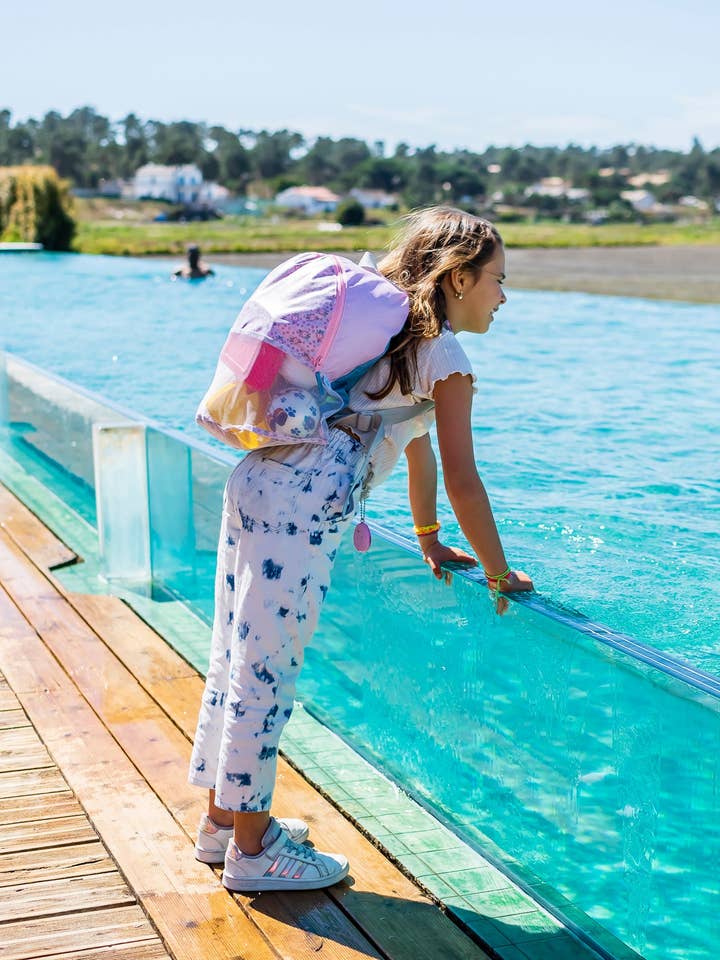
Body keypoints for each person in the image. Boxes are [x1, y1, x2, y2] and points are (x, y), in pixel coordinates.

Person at [187, 206, 533, 893]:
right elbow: (464, 476)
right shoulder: (448, 358)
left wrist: (430, 541)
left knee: (235, 659)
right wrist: (499, 573)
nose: (504, 295)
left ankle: (224, 823)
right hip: (300, 510)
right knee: (266, 675)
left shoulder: (397, 339)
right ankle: (253, 856)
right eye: (497, 279)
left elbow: (417, 451)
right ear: (460, 279)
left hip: (260, 482)